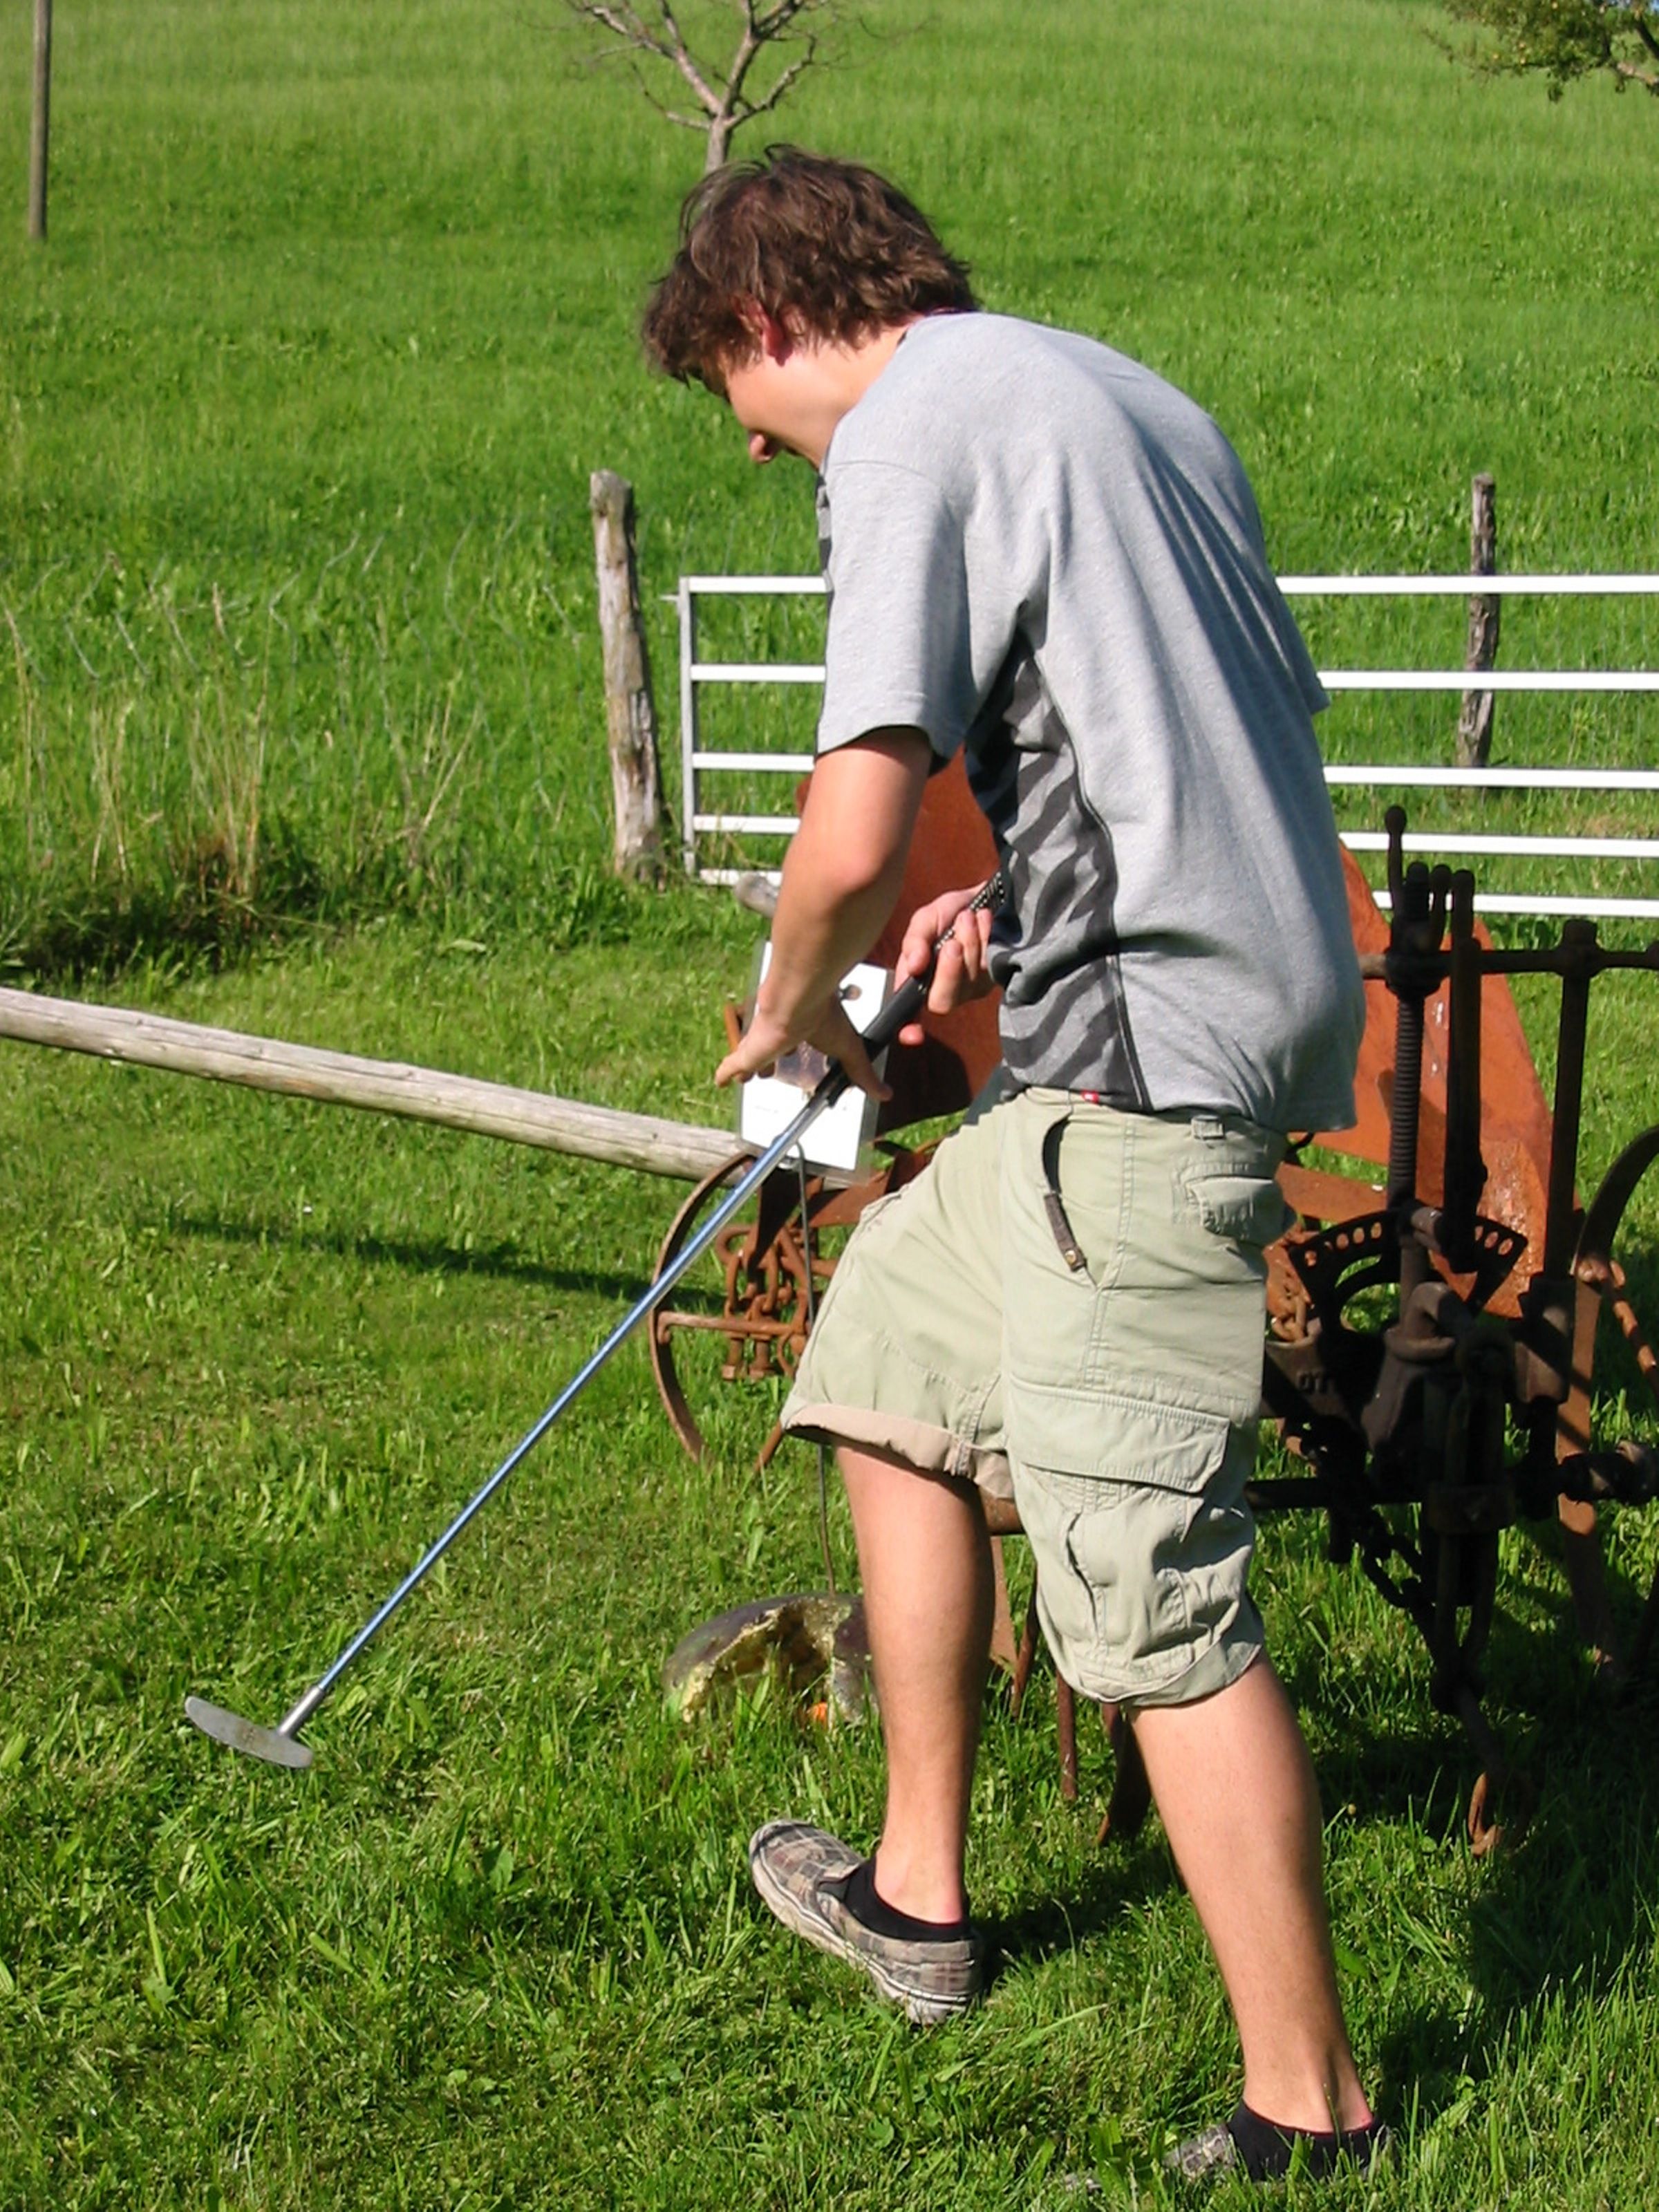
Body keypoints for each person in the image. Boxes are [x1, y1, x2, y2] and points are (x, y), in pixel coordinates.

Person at [641, 147, 1386, 2185]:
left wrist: (794, 1004)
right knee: (883, 1346)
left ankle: (1310, 2108)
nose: (775, 454)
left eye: (744, 408)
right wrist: (1029, 916)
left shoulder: (906, 428)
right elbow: (1175, 735)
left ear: (767, 325)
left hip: (1144, 1074)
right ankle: (919, 1899)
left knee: (1151, 1601)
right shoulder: (1121, 395)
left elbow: (860, 816)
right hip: (1146, 1006)